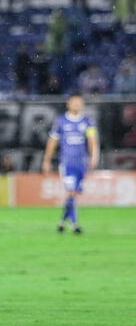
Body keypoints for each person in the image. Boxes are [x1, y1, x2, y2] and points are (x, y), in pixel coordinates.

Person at [42, 93, 99, 234]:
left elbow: (92, 140)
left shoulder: (87, 121)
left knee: (72, 195)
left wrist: (94, 156)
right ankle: (75, 225)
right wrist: (47, 160)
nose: (77, 104)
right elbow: (52, 141)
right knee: (71, 192)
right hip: (67, 163)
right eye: (74, 102)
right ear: (68, 104)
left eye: (79, 102)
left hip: (81, 163)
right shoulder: (61, 121)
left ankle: (62, 222)